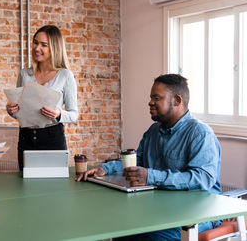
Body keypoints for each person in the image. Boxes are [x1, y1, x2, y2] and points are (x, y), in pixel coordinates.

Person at [77, 74, 222, 241]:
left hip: (200, 211)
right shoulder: (153, 131)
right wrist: (104, 168)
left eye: (156, 97)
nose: (150, 102)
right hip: (162, 207)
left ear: (176, 100)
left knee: (157, 234)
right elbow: (137, 160)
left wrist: (150, 176)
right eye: (151, 97)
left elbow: (203, 179)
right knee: (122, 229)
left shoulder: (200, 134)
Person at [6, 25, 78, 170]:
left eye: (43, 45)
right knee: (26, 187)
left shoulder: (65, 75)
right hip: (26, 138)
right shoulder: (24, 74)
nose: (37, 48)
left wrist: (58, 114)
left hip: (53, 138)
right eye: (35, 42)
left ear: (54, 48)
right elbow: (21, 113)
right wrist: (12, 111)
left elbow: (74, 115)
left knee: (54, 189)